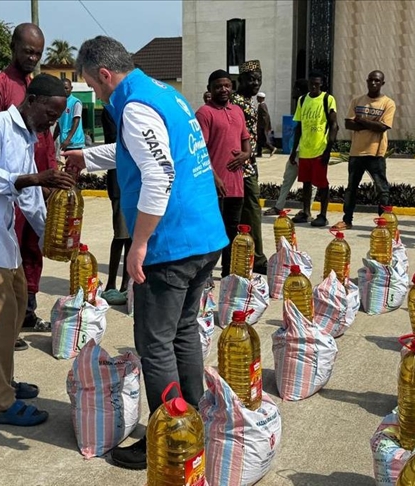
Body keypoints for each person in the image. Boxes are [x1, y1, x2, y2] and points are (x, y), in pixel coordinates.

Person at [64, 35, 227, 470]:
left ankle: (169, 435)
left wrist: (138, 244)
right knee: (183, 331)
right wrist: (86, 157)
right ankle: (192, 417)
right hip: (204, 237)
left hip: (172, 244)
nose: (98, 96)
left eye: (95, 87)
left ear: (104, 73)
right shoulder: (163, 94)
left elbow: (158, 173)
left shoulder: (134, 107)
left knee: (154, 343)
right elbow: (138, 153)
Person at [0, 74, 74, 427]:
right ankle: (1, 404)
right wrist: (37, 178)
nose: (53, 122)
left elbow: (32, 199)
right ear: (31, 100)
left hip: (2, 238)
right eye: (50, 114)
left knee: (18, 304)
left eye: (57, 117)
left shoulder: (27, 136)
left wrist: (53, 236)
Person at [0, 23, 53, 345]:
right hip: (11, 187)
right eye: (27, 51)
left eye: (38, 52)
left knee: (34, 249)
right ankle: (7, 323)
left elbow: (47, 135)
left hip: (39, 182)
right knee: (9, 256)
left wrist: (50, 176)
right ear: (13, 47)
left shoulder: (38, 84)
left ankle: (28, 313)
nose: (33, 57)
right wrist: (18, 183)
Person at [196, 69, 251, 277]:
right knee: (211, 231)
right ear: (209, 89)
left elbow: (246, 141)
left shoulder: (237, 111)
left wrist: (245, 155)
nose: (223, 89)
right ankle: (204, 274)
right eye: (218, 86)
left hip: (236, 184)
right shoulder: (204, 113)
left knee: (231, 231)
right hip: (213, 185)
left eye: (227, 85)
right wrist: (214, 177)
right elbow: (199, 151)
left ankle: (228, 274)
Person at [332, 70, 395, 230]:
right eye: (371, 80)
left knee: (382, 189)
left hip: (376, 153)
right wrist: (372, 123)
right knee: (351, 188)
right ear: (367, 81)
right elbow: (348, 124)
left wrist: (361, 120)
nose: (373, 83)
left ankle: (383, 221)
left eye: (377, 81)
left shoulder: (388, 103)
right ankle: (347, 220)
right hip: (356, 153)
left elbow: (383, 127)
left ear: (382, 83)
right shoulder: (357, 101)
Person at [229, 60, 268, 273]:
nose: (256, 83)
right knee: (251, 211)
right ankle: (257, 259)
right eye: (251, 79)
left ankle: (247, 257)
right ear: (240, 80)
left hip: (250, 164)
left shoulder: (249, 101)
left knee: (247, 212)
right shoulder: (235, 103)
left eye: (259, 80)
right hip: (240, 166)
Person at [287, 71, 338, 227]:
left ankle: (322, 214)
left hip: (319, 149)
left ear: (321, 84)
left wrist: (328, 151)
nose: (314, 87)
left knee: (322, 184)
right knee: (306, 183)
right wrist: (293, 150)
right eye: (311, 84)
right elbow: (299, 127)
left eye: (317, 84)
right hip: (305, 150)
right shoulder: (302, 100)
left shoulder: (327, 99)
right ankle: (306, 212)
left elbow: (334, 126)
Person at [264, 78, 313, 216]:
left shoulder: (306, 102)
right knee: (288, 179)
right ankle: (279, 206)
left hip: (306, 151)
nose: (293, 91)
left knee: (309, 183)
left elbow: (301, 129)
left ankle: (306, 210)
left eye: (295, 88)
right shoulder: (300, 102)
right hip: (296, 151)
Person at [98, 107, 130, 304]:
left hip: (137, 181)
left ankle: (126, 284)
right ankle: (111, 284)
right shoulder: (111, 110)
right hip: (120, 180)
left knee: (132, 238)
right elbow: (114, 144)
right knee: (120, 235)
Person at [53, 78, 85, 151]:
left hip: (75, 143)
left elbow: (76, 121)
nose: (64, 90)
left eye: (66, 88)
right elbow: (59, 124)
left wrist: (68, 139)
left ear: (71, 88)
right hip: (64, 142)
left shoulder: (76, 102)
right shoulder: (60, 104)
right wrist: (52, 140)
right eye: (62, 88)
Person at [256, 91, 275, 157]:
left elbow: (265, 116)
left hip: (262, 126)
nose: (257, 99)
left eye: (258, 98)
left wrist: (264, 126)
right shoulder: (262, 105)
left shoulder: (262, 105)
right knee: (259, 140)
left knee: (263, 139)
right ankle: (259, 153)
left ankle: (272, 148)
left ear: (261, 98)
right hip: (261, 126)